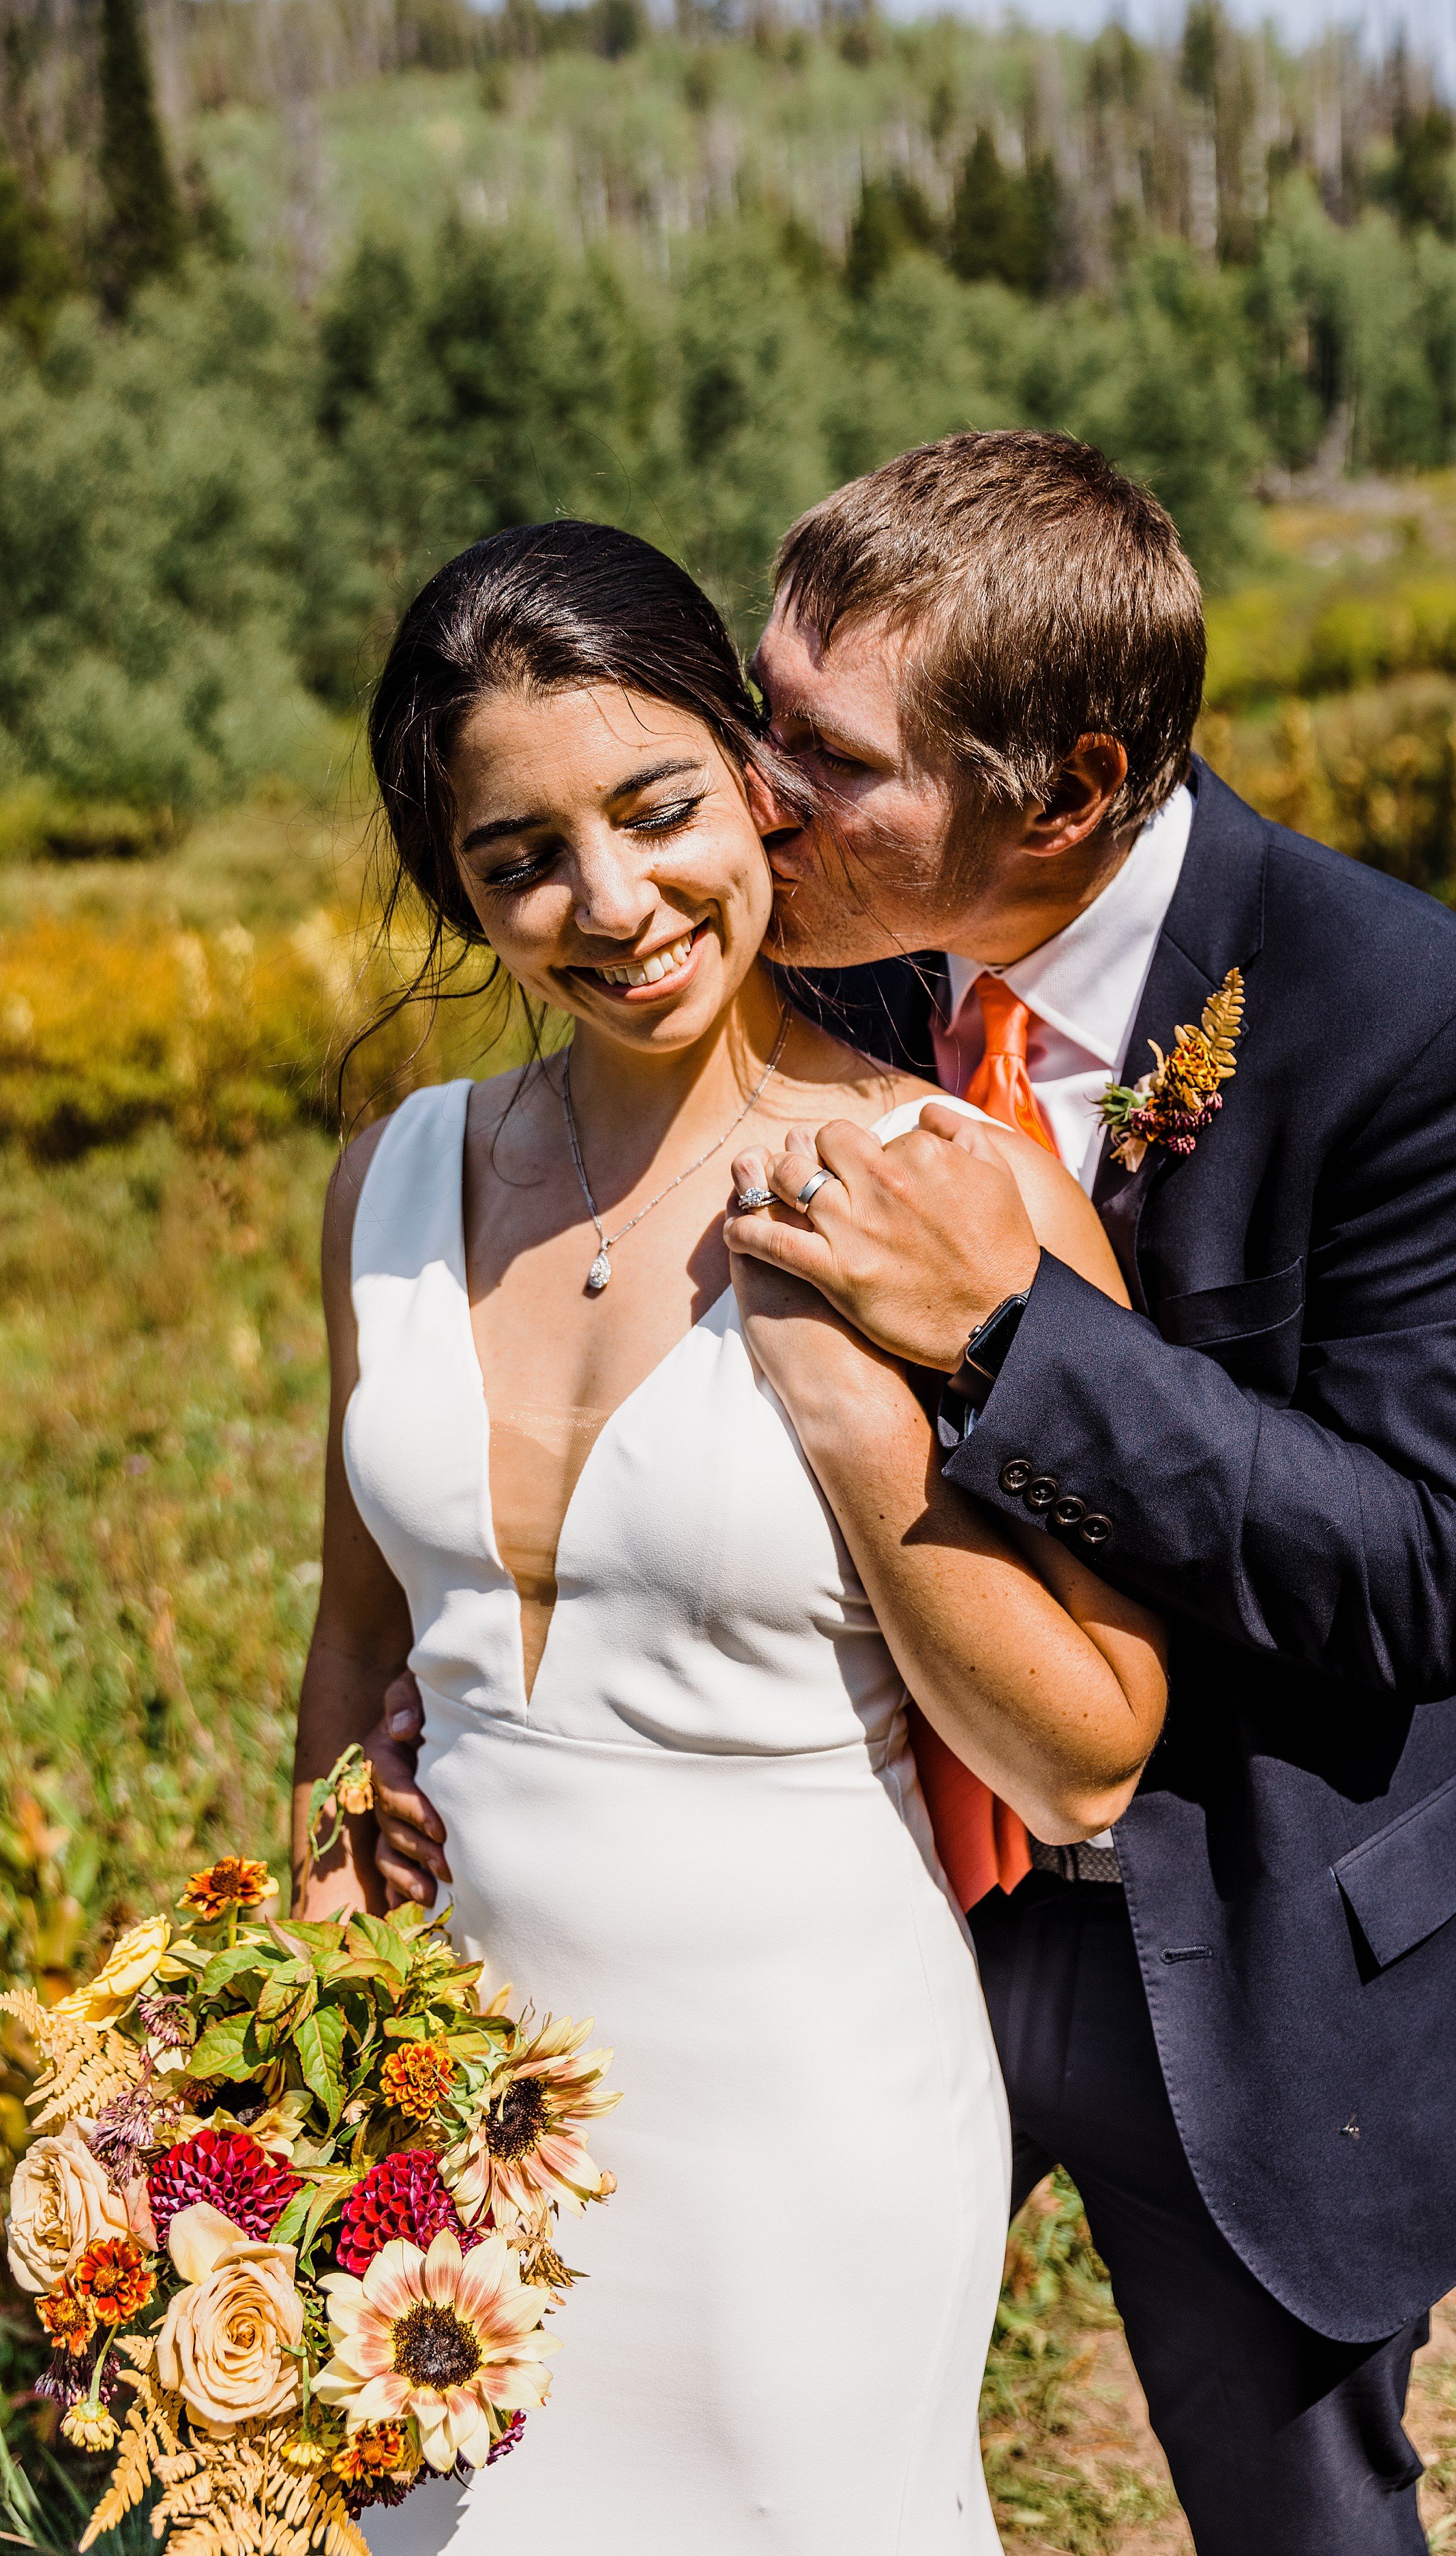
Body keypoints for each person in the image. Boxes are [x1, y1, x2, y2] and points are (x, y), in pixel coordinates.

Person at [378, 430, 1456, 2556]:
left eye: (822, 754)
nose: (757, 788)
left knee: (1296, 2516)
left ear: (1063, 788)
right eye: (757, 717)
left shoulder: (1404, 1021)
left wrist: (1019, 1341)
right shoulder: (812, 948)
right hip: (850, 1921)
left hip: (1237, 1917)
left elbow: (1424, 1571)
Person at [289, 516, 1170, 2555]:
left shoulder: (955, 1185)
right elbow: (360, 1639)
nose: (613, 902)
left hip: (804, 2124)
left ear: (751, 778)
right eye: (519, 858)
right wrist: (328, 1876)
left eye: (658, 807)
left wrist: (862, 1428)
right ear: (463, 893)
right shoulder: (391, 1185)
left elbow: (1093, 1741)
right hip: (455, 2122)